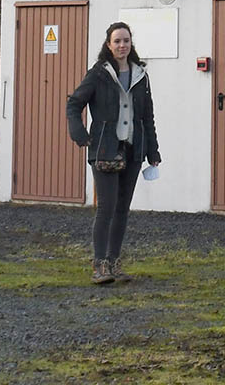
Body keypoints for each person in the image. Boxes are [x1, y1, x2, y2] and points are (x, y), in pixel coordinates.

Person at [67, 22, 161, 285]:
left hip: (133, 149)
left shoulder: (141, 75)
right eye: (117, 41)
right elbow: (74, 103)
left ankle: (115, 262)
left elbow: (147, 116)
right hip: (105, 148)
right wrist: (79, 132)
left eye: (126, 41)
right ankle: (100, 265)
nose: (122, 45)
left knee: (122, 209)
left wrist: (153, 150)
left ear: (132, 44)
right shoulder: (98, 73)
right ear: (108, 45)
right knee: (106, 208)